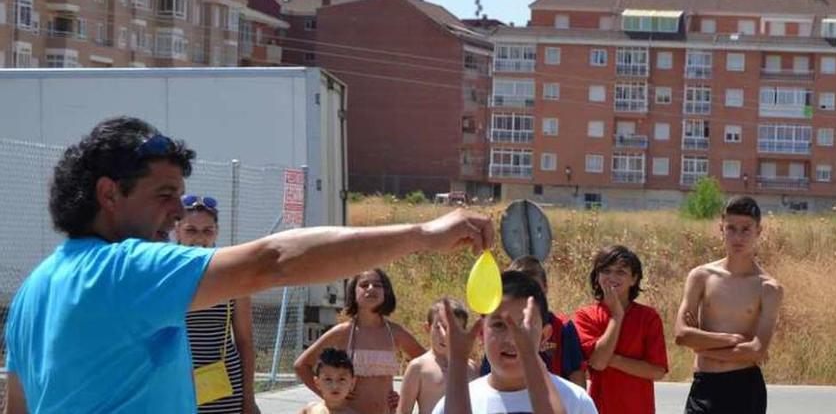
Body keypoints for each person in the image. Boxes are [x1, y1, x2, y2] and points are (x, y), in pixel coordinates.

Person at [3, 116, 493, 413]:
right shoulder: (126, 269)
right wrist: (421, 234)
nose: (177, 212)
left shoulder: (33, 290)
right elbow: (273, 260)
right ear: (109, 195)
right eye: (164, 194)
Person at [674, 196, 784, 414]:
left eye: (746, 229)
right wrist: (732, 340)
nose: (738, 237)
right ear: (721, 229)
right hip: (704, 386)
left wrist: (702, 347)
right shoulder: (701, 276)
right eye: (731, 228)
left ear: (758, 231)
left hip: (744, 388)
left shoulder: (769, 288)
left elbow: (757, 350)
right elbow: (682, 335)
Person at [432, 271, 598, 414]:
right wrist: (458, 362)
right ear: (481, 332)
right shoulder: (453, 404)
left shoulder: (576, 402)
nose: (511, 339)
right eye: (498, 325)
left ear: (544, 335)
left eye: (523, 326)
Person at [295, 269, 425, 414]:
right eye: (364, 285)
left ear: (386, 292)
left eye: (377, 285)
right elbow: (301, 366)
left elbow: (428, 364)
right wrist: (331, 397)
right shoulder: (343, 332)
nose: (371, 288)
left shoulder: (395, 333)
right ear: (353, 292)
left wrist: (407, 397)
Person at [177, 194, 259, 414]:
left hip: (224, 386)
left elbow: (245, 342)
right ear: (177, 231)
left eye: (207, 231)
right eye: (191, 230)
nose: (199, 238)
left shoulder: (233, 276)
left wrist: (249, 400)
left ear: (216, 233)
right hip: (175, 385)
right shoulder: (165, 274)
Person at [573, 245, 668, 414]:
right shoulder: (585, 316)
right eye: (606, 271)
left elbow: (657, 370)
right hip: (600, 408)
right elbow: (598, 363)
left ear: (634, 279)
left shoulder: (648, 317)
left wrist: (612, 359)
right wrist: (617, 316)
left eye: (621, 272)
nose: (612, 277)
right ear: (597, 276)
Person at [479, 256, 586, 387]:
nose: (511, 338)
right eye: (518, 288)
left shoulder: (563, 327)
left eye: (533, 289)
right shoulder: (496, 331)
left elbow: (576, 374)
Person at [396, 298, 479, 414]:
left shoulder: (472, 368)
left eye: (453, 328)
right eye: (438, 327)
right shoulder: (418, 367)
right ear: (427, 328)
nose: (444, 335)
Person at [297, 348, 358, 414]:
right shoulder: (310, 410)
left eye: (342, 379)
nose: (335, 386)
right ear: (317, 383)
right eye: (328, 379)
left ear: (352, 383)